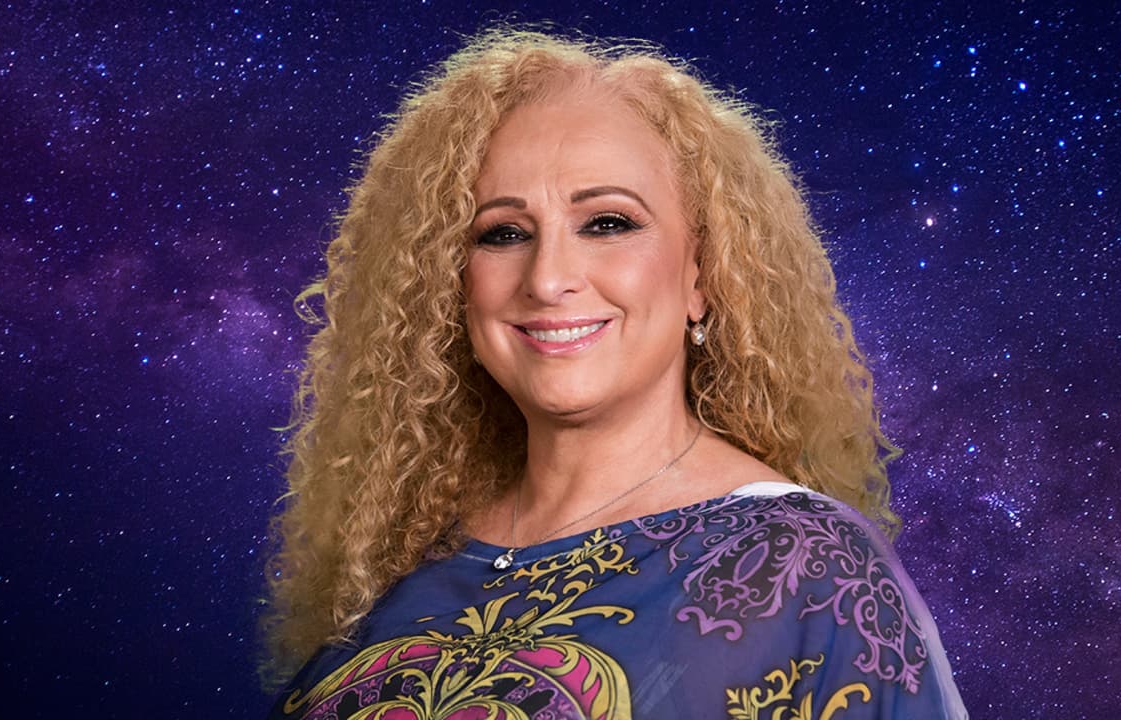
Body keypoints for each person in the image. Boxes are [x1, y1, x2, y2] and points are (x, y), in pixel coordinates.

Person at [262, 28, 967, 719]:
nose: (548, 279)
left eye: (607, 223)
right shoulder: (404, 570)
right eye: (503, 233)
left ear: (702, 275)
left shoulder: (811, 571)